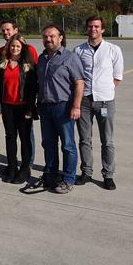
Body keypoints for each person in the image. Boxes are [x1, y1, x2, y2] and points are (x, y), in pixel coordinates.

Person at [74, 16, 123, 190]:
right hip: (85, 100)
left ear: (102, 29)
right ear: (86, 29)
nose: (93, 29)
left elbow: (117, 77)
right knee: (84, 139)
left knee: (107, 140)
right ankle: (86, 172)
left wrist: (104, 90)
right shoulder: (79, 50)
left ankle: (108, 175)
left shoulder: (113, 50)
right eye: (90, 26)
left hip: (105, 101)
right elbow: (76, 76)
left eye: (96, 26)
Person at [37, 25, 85, 194]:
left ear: (60, 38)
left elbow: (79, 82)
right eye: (45, 37)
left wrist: (76, 106)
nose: (48, 39)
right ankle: (50, 174)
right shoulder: (41, 58)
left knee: (68, 145)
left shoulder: (70, 57)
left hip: (63, 107)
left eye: (52, 36)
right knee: (48, 144)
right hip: (45, 107)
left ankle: (68, 179)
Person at [0, 20, 38, 170]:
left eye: (8, 30)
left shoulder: (29, 50)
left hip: (23, 105)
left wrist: (31, 106)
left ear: (15, 29)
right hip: (8, 104)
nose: (6, 33)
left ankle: (28, 164)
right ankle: (12, 165)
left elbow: (33, 79)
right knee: (11, 136)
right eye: (3, 31)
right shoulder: (2, 52)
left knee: (26, 136)